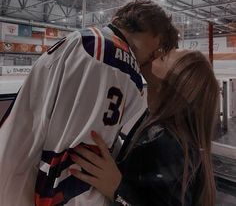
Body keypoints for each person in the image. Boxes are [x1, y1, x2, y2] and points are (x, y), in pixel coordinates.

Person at [0, 0, 178, 206]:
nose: (154, 57)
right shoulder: (113, 59)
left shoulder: (89, 39)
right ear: (155, 35)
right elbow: (73, 166)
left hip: (14, 177)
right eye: (159, 48)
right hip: (24, 192)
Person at [69, 49, 219, 206]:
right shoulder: (159, 125)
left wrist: (117, 190)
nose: (153, 54)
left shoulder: (167, 145)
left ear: (172, 85)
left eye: (162, 58)